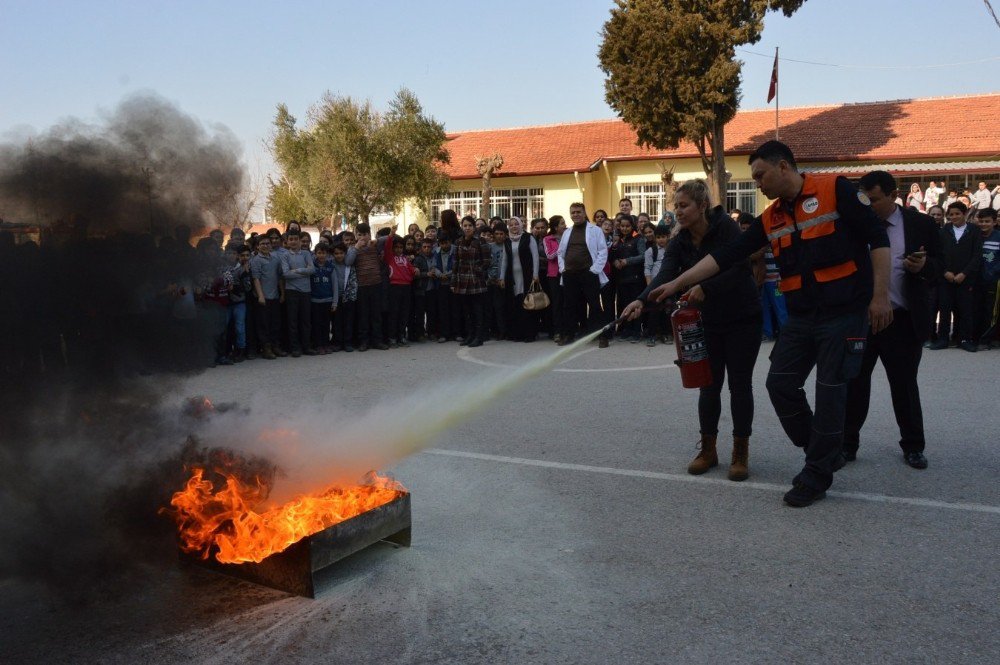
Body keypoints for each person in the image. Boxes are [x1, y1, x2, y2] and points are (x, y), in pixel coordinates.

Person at [627, 140, 892, 507]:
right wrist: (677, 282)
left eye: (760, 175)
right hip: (802, 317)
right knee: (780, 383)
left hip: (843, 312)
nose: (757, 184)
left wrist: (881, 297)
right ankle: (822, 450)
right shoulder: (771, 217)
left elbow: (877, 238)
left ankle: (816, 473)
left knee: (830, 391)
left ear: (784, 166)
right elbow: (727, 256)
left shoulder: (836, 189)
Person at [625, 179, 762, 480]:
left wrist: (706, 287)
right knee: (708, 385)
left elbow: (739, 269)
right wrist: (639, 301)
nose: (678, 212)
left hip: (743, 318)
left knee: (740, 386)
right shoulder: (680, 240)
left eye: (684, 205)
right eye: (676, 206)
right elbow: (665, 274)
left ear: (702, 206)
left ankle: (740, 452)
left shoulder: (725, 227)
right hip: (707, 322)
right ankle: (709, 450)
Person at [843, 171, 944, 469]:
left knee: (904, 385)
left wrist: (924, 267)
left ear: (893, 195)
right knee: (855, 383)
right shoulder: (854, 224)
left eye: (874, 199)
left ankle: (913, 446)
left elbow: (941, 265)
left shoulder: (921, 224)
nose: (868, 205)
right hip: (862, 319)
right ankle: (847, 444)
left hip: (902, 319)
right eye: (864, 199)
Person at [930, 201, 982, 351]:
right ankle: (943, 339)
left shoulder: (974, 231)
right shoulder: (943, 231)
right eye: (951, 214)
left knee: (965, 310)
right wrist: (945, 271)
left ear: (964, 214)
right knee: (944, 309)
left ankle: (964, 339)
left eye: (957, 213)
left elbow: (977, 255)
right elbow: (937, 254)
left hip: (965, 278)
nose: (954, 217)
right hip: (946, 278)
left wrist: (964, 273)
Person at [557, 203, 610, 348]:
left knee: (595, 305)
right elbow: (560, 252)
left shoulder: (595, 230)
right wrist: (563, 269)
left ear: (584, 212)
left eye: (578, 212)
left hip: (588, 273)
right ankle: (569, 335)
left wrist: (594, 270)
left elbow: (602, 251)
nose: (575, 215)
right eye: (573, 212)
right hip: (570, 274)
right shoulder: (567, 232)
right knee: (569, 306)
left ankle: (602, 336)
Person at [348, 222, 388, 352]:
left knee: (376, 315)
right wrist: (356, 248)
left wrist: (375, 240)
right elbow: (348, 262)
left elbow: (387, 238)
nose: (363, 237)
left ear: (370, 234)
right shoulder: (353, 249)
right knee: (363, 315)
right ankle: (363, 341)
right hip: (362, 286)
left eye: (365, 234)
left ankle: (377, 340)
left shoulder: (374, 246)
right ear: (356, 236)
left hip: (376, 284)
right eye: (359, 235)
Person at [452, 216, 491, 347]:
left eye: (470, 225)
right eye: (465, 225)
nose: (467, 228)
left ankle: (479, 337)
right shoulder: (458, 242)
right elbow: (455, 262)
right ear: (462, 227)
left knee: (477, 310)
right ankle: (470, 335)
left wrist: (477, 270)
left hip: (476, 280)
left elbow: (486, 262)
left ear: (474, 227)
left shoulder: (481, 241)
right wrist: (453, 282)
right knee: (467, 311)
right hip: (462, 281)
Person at [279, 231, 315, 357]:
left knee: (305, 321)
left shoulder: (306, 254)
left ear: (300, 241)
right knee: (293, 321)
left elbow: (312, 270)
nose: (293, 241)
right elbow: (286, 274)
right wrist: (303, 272)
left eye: (296, 239)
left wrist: (297, 270)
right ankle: (295, 348)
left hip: (306, 291)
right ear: (287, 241)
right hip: (291, 291)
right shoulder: (285, 256)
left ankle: (307, 346)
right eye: (291, 239)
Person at [504, 216, 540, 342]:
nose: (514, 227)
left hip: (527, 276)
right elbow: (504, 260)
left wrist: (535, 274)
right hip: (512, 278)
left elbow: (535, 257)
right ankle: (517, 333)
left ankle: (530, 334)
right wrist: (501, 277)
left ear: (521, 225)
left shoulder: (528, 238)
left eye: (516, 224)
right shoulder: (507, 241)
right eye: (511, 224)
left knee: (528, 304)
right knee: (516, 305)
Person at [610, 214, 644, 342]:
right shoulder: (618, 240)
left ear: (632, 226)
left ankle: (636, 331)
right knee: (624, 305)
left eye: (627, 226)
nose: (625, 228)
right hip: (621, 278)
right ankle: (626, 330)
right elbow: (612, 255)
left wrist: (627, 261)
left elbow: (643, 256)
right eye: (622, 226)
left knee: (635, 305)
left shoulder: (638, 238)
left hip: (635, 278)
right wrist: (614, 261)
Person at [250, 235, 284, 359]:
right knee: (264, 324)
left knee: (275, 323)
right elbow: (256, 279)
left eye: (267, 243)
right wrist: (260, 296)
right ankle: (266, 348)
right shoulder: (256, 260)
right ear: (258, 246)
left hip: (275, 296)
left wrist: (282, 294)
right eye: (262, 244)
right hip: (263, 298)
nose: (265, 246)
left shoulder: (275, 259)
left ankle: (276, 346)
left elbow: (280, 277)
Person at [384, 234, 417, 348]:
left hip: (406, 287)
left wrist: (415, 270)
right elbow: (387, 246)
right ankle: (392, 337)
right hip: (394, 287)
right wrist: (391, 235)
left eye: (400, 247)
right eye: (396, 247)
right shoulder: (390, 257)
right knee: (394, 313)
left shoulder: (405, 259)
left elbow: (410, 269)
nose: (398, 249)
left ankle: (401, 336)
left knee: (404, 313)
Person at [642, 223, 670, 347]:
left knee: (667, 309)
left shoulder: (672, 250)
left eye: (663, 237)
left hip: (669, 285)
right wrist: (649, 286)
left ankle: (666, 334)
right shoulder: (650, 251)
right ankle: (651, 335)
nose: (661, 240)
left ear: (668, 237)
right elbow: (647, 269)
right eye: (658, 237)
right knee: (654, 310)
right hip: (655, 285)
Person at [975, 207, 999, 347]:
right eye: (981, 221)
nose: (984, 224)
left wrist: (993, 272)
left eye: (987, 221)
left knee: (989, 310)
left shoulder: (998, 237)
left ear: (994, 222)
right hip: (975, 280)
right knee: (975, 308)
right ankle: (975, 336)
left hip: (992, 281)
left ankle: (986, 339)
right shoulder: (975, 236)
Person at [309, 243, 338, 354]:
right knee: (316, 324)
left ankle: (326, 343)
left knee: (326, 324)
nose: (321, 255)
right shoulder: (311, 267)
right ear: (315, 254)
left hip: (328, 300)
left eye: (324, 253)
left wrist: (334, 303)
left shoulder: (330, 267)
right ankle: (318, 345)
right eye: (319, 253)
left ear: (327, 254)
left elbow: (335, 285)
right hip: (315, 301)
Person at [544, 216, 567, 344]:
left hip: (567, 273)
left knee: (567, 303)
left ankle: (568, 330)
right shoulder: (548, 239)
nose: (565, 225)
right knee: (557, 303)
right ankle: (557, 331)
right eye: (562, 223)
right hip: (554, 275)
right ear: (555, 227)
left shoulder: (569, 235)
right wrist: (561, 246)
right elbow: (549, 255)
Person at [330, 242, 357, 352]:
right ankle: (337, 342)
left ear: (345, 253)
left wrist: (352, 296)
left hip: (348, 297)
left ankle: (347, 342)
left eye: (341, 253)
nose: (339, 255)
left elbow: (354, 282)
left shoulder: (349, 265)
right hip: (336, 298)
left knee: (348, 321)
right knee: (337, 321)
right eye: (336, 253)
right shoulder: (330, 265)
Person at [432, 233, 458, 342]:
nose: (444, 246)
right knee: (443, 310)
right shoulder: (436, 252)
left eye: (446, 243)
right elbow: (433, 266)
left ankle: (456, 333)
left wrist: (447, 274)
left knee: (455, 309)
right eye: (442, 243)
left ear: (450, 242)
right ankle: (444, 334)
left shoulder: (456, 251)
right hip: (441, 284)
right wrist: (440, 275)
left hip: (453, 284)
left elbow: (458, 265)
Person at [487, 222, 509, 340]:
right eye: (496, 234)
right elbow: (489, 264)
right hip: (494, 281)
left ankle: (506, 330)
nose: (499, 236)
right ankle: (498, 330)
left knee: (506, 307)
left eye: (501, 234)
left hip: (507, 281)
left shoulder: (509, 245)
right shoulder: (490, 247)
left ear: (506, 235)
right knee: (496, 308)